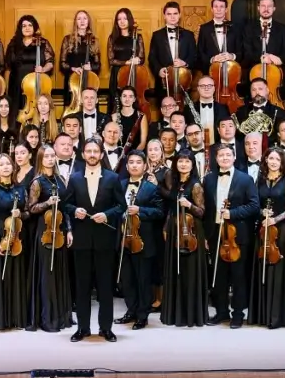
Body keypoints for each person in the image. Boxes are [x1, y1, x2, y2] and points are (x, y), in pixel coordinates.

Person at [65, 137, 126, 342]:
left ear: (101, 154)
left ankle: (106, 328)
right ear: (83, 154)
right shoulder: (74, 178)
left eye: (95, 151)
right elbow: (66, 205)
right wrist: (75, 211)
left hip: (104, 240)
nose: (92, 154)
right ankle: (82, 328)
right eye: (88, 151)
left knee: (105, 287)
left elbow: (122, 206)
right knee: (82, 287)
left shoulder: (112, 178)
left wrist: (107, 215)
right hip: (82, 240)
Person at [26, 144, 74, 333]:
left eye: (52, 155)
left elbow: (65, 207)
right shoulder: (37, 182)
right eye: (46, 156)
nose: (50, 159)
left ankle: (61, 315)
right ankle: (47, 318)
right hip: (45, 231)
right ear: (40, 159)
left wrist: (69, 230)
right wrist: (47, 203)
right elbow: (31, 208)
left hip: (60, 229)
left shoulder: (60, 179)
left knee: (60, 272)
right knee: (47, 273)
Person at [249, 147, 285, 329]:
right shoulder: (260, 180)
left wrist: (275, 219)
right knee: (264, 268)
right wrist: (263, 212)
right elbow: (254, 204)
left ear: (282, 162)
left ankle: (278, 316)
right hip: (263, 230)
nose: (274, 162)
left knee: (279, 271)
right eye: (271, 158)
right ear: (266, 160)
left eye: (277, 159)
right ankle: (264, 314)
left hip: (281, 230)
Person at [115, 150, 164, 330]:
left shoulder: (152, 188)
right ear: (127, 166)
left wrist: (140, 211)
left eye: (138, 162)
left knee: (143, 280)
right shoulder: (120, 185)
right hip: (123, 240)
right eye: (131, 162)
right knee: (127, 280)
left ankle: (142, 315)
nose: (134, 165)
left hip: (143, 240)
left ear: (144, 166)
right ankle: (131, 311)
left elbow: (160, 212)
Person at [159, 149, 208, 327]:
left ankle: (191, 315)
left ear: (192, 164)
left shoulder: (195, 186)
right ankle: (175, 314)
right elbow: (171, 209)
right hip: (175, 229)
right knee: (175, 271)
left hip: (191, 232)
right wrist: (166, 227)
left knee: (190, 272)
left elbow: (202, 212)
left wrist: (189, 205)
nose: (183, 164)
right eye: (180, 161)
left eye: (187, 161)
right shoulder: (175, 183)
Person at [0, 153, 29, 330]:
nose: (5, 167)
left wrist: (20, 214)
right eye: (1, 165)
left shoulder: (21, 189)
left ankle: (16, 318)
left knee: (15, 276)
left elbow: (28, 212)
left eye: (8, 164)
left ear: (13, 167)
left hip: (16, 236)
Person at [5, 15, 55, 116]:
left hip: (35, 82)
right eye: (24, 26)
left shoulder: (43, 42)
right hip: (16, 82)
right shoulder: (13, 43)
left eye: (30, 25)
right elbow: (8, 63)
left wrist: (43, 69)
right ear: (20, 28)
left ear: (35, 27)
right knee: (16, 111)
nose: (27, 28)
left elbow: (50, 62)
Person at [148, 1, 198, 101]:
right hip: (163, 84)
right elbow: (152, 57)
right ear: (164, 16)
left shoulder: (189, 35)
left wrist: (185, 63)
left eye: (175, 13)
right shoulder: (157, 35)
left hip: (183, 82)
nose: (172, 17)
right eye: (169, 14)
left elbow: (195, 57)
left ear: (179, 15)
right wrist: (159, 70)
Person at [106, 8, 147, 107]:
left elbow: (142, 58)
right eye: (119, 19)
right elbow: (111, 60)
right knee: (117, 103)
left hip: (134, 73)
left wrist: (138, 60)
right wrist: (126, 62)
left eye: (125, 18)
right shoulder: (112, 38)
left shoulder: (138, 37)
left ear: (130, 20)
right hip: (118, 74)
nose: (122, 21)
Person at [59, 10, 101, 104]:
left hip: (89, 80)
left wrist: (91, 67)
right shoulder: (67, 39)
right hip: (72, 80)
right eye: (79, 19)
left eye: (85, 18)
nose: (82, 21)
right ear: (75, 22)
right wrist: (73, 68)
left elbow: (98, 65)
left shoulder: (94, 41)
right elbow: (62, 64)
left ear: (88, 21)